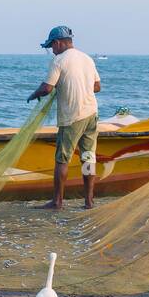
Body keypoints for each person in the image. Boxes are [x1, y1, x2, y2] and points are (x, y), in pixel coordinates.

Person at [27, 25, 102, 210]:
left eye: (52, 46)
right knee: (88, 157)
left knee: (62, 160)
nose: (52, 50)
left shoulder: (59, 60)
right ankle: (89, 201)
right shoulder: (87, 58)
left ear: (58, 43)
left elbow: (46, 88)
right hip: (91, 114)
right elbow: (97, 87)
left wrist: (32, 95)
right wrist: (79, 86)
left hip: (72, 117)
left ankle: (57, 202)